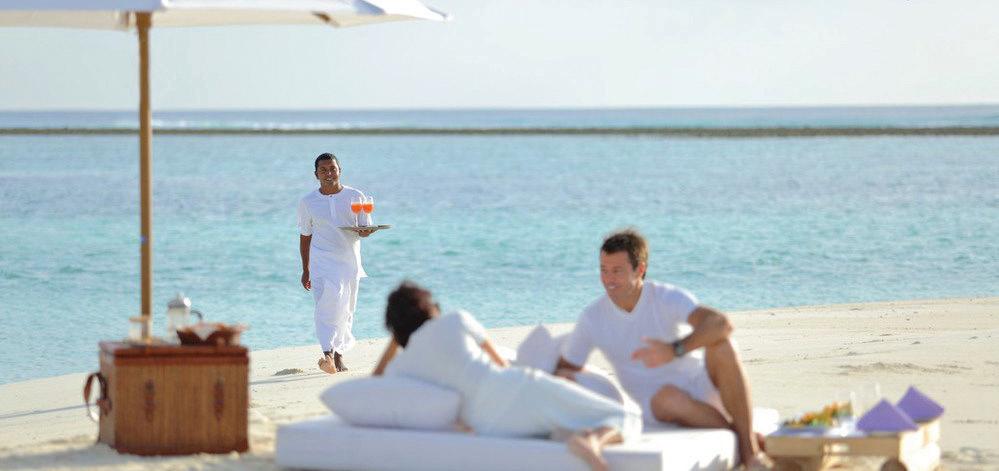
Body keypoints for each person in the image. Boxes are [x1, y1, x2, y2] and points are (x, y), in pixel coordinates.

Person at [556, 229, 772, 470]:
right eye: (603, 270)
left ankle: (749, 452)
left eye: (617, 271)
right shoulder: (593, 317)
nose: (608, 279)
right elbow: (566, 367)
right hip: (656, 401)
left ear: (640, 269)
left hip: (701, 383)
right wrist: (574, 380)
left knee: (724, 345)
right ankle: (747, 444)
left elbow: (721, 324)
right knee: (668, 398)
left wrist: (673, 350)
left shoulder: (664, 297)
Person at [373, 281, 641, 471]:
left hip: (490, 428)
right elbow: (502, 365)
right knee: (625, 415)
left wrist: (398, 339)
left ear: (395, 329)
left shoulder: (401, 368)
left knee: (555, 424)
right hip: (519, 390)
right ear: (429, 308)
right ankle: (592, 440)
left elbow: (374, 384)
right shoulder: (456, 320)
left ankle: (572, 433)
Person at [297, 152, 374, 374]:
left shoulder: (356, 196)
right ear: (316, 175)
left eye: (333, 169)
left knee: (346, 309)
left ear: (340, 171)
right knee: (326, 306)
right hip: (321, 262)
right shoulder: (308, 202)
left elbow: (365, 228)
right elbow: (305, 236)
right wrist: (305, 268)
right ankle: (327, 354)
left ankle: (338, 354)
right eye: (323, 170)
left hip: (349, 261)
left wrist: (366, 231)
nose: (329, 173)